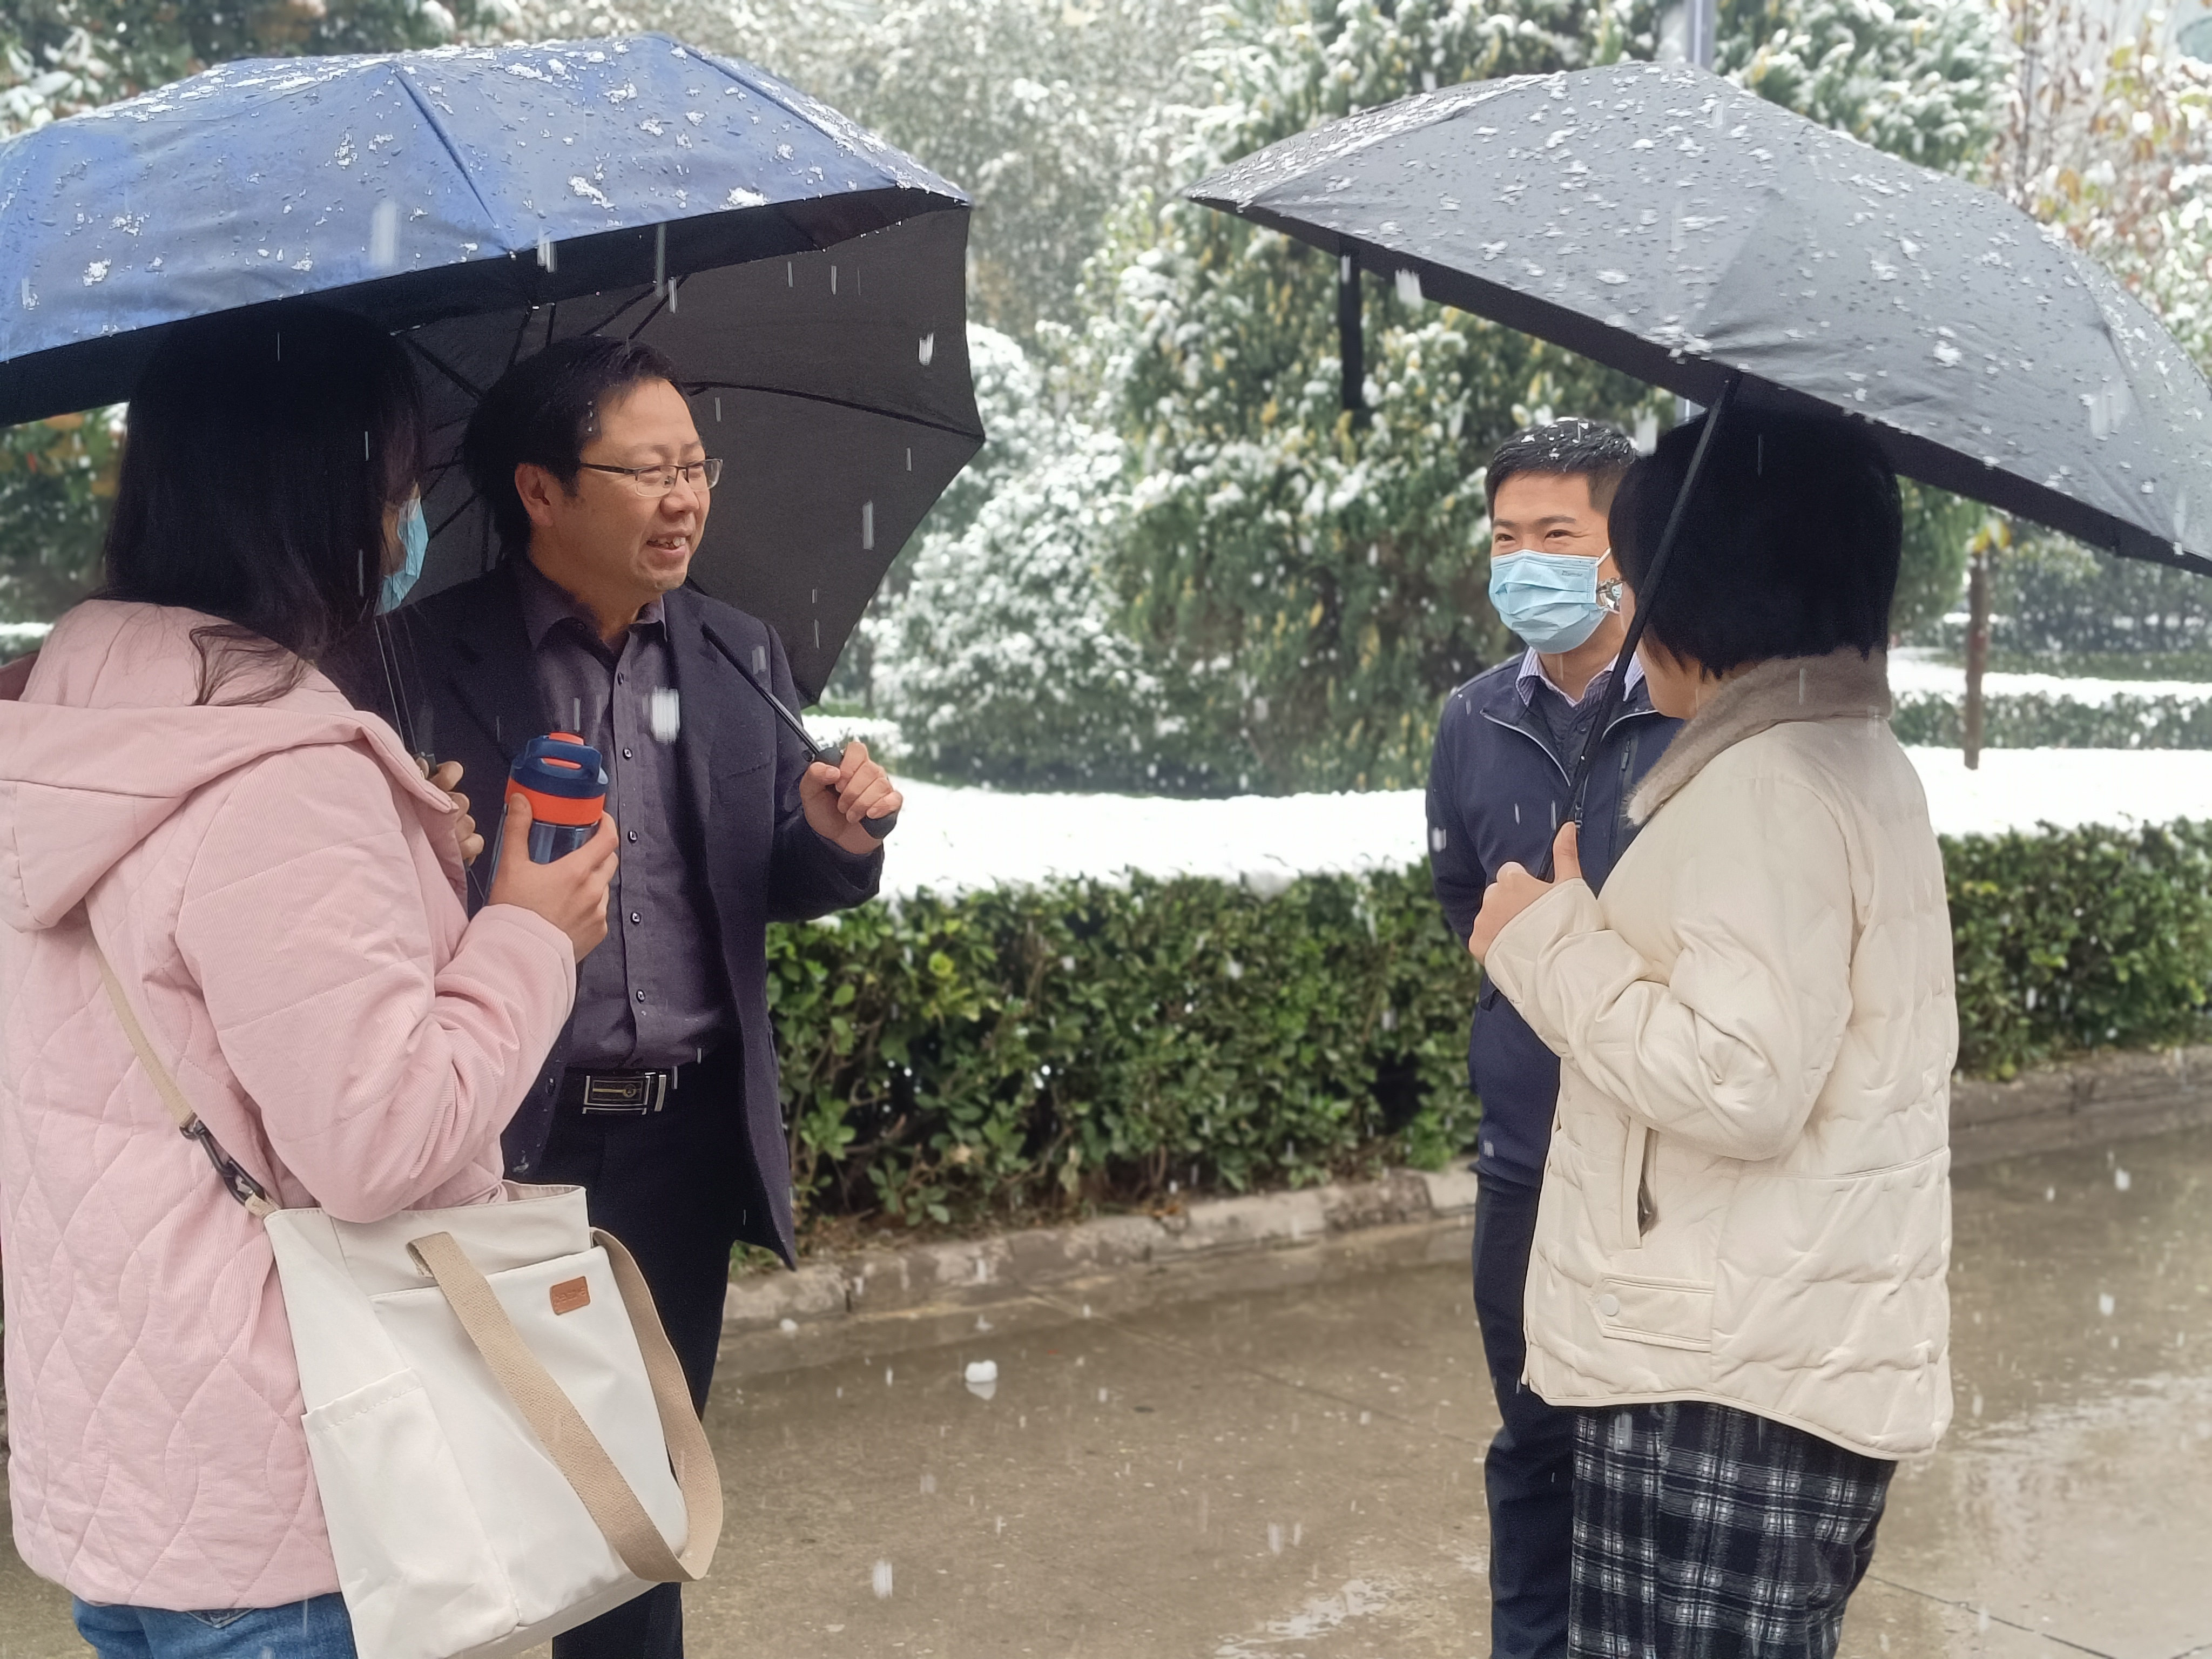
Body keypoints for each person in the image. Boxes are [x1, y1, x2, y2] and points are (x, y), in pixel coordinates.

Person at [0, 304, 617, 1656]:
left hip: (123, 1465)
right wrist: (526, 935)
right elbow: (378, 1143)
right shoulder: (280, 774)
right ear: (321, 496)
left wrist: (398, 866)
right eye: (397, 484)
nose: (407, 524)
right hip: (296, 1479)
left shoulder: (60, 719)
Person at [341, 333, 899, 1659]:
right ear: (538, 491)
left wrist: (835, 839)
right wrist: (437, 856)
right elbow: (354, 908)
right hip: (495, 1143)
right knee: (451, 1511)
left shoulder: (735, 654)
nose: (683, 500)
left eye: (695, 468)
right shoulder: (408, 662)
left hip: (675, 1153)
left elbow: (753, 879)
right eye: (646, 471)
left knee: (635, 1519)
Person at [1467, 407, 1955, 1658]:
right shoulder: (1847, 756)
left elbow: (1739, 1079)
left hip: (1723, 1370)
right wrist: (1591, 920)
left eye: (1639, 579)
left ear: (1703, 593)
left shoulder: (1767, 783)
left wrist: (1542, 941)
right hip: (1778, 1341)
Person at [1425, 419, 1680, 1659]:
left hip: (1655, 1167)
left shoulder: (1690, 711)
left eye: (1553, 536)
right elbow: (1465, 904)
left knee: (1648, 1472)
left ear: (1619, 549)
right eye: (1503, 538)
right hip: (1524, 1157)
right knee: (1531, 1450)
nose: (1523, 562)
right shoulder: (1472, 718)